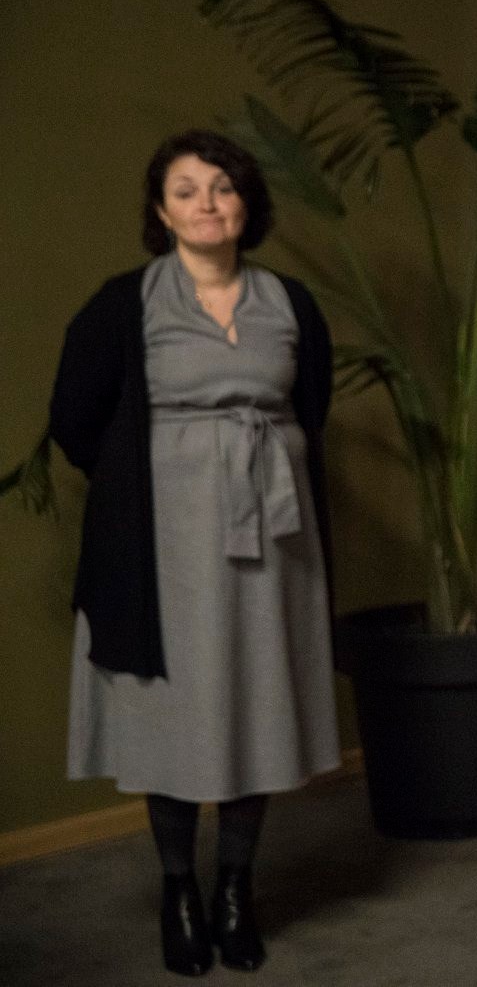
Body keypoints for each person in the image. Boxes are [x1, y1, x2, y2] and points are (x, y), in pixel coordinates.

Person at [49, 128, 339, 977]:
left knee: (256, 706)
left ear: (246, 202)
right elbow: (75, 420)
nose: (207, 203)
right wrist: (165, 475)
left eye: (222, 186)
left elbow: (310, 405)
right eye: (186, 190)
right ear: (161, 210)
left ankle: (236, 888)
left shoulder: (290, 302)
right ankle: (179, 888)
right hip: (160, 548)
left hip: (274, 543)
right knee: (172, 718)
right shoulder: (124, 304)